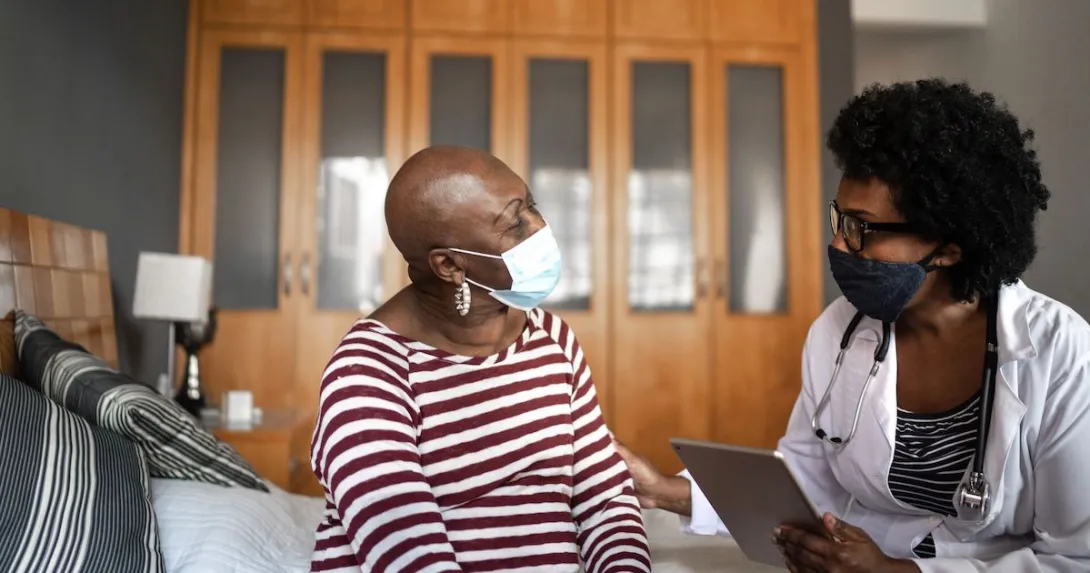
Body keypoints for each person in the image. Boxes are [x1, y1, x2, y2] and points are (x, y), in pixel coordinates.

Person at [615, 78, 1090, 572]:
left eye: (862, 228)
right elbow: (803, 482)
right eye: (839, 220)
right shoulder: (837, 332)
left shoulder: (1061, 353)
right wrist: (666, 491)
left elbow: (1076, 557)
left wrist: (896, 572)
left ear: (950, 245)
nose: (841, 246)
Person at [309, 146, 651, 573]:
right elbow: (407, 552)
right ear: (450, 265)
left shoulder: (553, 340)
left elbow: (605, 501)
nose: (540, 228)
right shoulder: (367, 371)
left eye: (532, 205)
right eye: (515, 223)